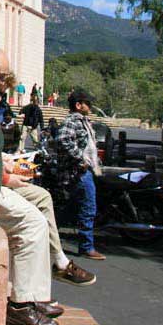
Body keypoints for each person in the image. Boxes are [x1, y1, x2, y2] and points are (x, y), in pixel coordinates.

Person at [0, 47, 95, 325]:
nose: (0, 96)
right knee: (32, 222)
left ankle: (50, 274)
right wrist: (7, 178)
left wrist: (8, 163)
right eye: (0, 81)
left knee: (42, 197)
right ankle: (21, 304)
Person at [56, 89, 105, 260]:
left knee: (70, 209)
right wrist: (81, 159)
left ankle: (49, 237)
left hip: (82, 171)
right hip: (78, 172)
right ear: (78, 105)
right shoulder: (73, 120)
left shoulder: (82, 121)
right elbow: (63, 139)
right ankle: (86, 247)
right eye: (88, 103)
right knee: (88, 208)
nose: (90, 106)